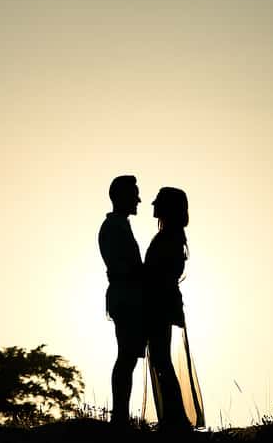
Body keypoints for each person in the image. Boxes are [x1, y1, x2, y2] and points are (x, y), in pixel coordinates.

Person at [145, 186, 193, 432]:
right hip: (164, 302)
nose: (152, 207)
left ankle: (175, 419)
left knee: (161, 360)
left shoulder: (167, 238)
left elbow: (158, 274)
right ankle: (174, 418)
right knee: (161, 360)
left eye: (158, 203)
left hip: (159, 304)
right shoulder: (173, 237)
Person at [98, 174, 144, 427]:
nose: (138, 199)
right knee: (126, 356)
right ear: (121, 197)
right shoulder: (114, 227)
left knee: (127, 357)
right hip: (125, 298)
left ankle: (121, 416)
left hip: (126, 296)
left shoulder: (119, 225)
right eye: (134, 194)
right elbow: (125, 267)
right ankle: (120, 417)